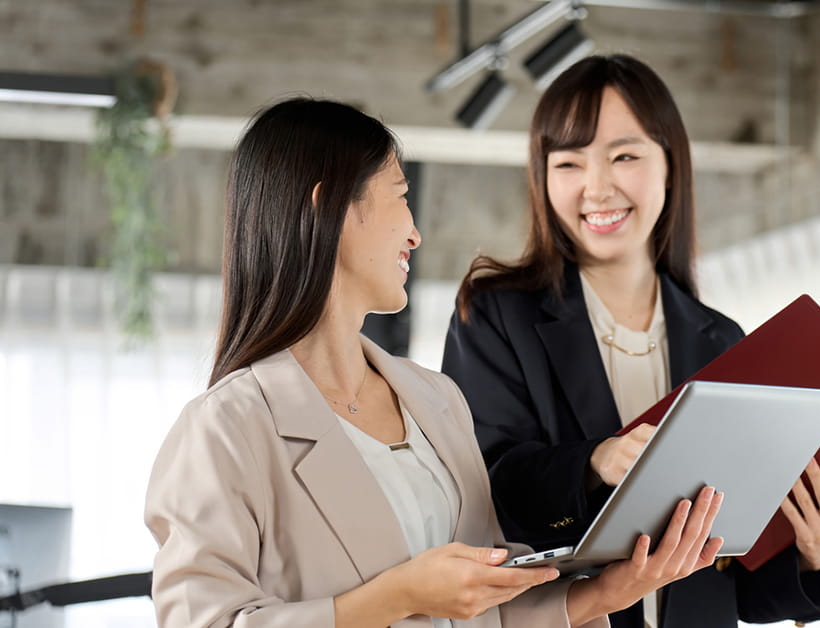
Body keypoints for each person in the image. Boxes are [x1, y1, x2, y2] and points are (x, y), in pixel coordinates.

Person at [143, 97, 729, 627]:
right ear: (331, 207)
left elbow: (489, 606)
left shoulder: (437, 400)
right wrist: (395, 597)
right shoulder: (224, 428)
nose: (416, 234)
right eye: (400, 197)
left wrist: (607, 593)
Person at [442, 55, 820, 628]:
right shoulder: (496, 315)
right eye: (568, 163)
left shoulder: (723, 340)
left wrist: (818, 554)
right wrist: (594, 462)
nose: (597, 188)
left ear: (671, 166)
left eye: (624, 156)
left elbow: (736, 588)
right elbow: (482, 496)